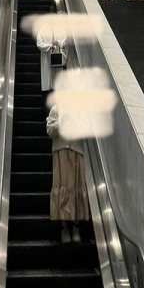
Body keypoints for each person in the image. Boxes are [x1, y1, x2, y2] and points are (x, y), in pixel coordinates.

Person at [46, 103, 89, 244]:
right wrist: (62, 122)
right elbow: (49, 130)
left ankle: (76, 226)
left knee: (76, 185)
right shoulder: (56, 109)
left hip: (76, 151)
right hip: (60, 151)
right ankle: (64, 226)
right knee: (62, 186)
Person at [37, 23, 65, 92]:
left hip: (57, 56)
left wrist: (58, 42)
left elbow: (65, 43)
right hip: (46, 57)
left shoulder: (60, 28)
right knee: (48, 77)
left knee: (57, 79)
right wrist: (49, 46)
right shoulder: (43, 28)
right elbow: (39, 44)